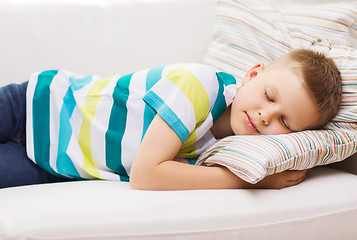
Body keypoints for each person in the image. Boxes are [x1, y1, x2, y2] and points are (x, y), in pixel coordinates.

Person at [0, 49, 342, 190]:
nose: (266, 116)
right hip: (37, 106)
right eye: (269, 96)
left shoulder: (224, 148)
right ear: (253, 74)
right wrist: (249, 181)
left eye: (286, 122)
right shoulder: (201, 85)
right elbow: (146, 175)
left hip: (54, 163)